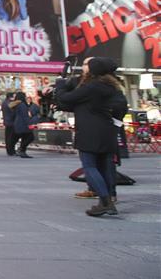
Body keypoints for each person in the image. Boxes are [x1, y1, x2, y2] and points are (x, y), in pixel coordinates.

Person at [50, 57, 128, 217]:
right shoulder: (112, 87)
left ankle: (105, 201)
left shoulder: (92, 87)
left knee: (89, 166)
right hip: (107, 131)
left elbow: (66, 98)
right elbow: (80, 105)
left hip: (89, 132)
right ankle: (108, 200)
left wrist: (60, 84)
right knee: (105, 166)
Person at [11, 91, 35, 158]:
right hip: (23, 124)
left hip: (17, 123)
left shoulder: (16, 104)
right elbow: (25, 116)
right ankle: (22, 150)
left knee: (24, 137)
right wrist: (29, 123)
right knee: (30, 137)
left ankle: (22, 150)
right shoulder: (22, 105)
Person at [1, 92, 17, 156]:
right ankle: (11, 150)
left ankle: (9, 150)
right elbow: (12, 112)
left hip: (7, 121)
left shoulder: (4, 102)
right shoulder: (10, 103)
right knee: (11, 137)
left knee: (8, 137)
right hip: (11, 122)